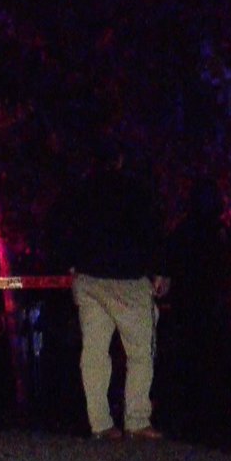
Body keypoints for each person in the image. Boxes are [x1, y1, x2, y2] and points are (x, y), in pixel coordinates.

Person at [57, 140, 169, 440]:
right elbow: (151, 230)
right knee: (140, 352)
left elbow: (64, 227)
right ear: (120, 160)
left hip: (89, 277)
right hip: (127, 278)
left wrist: (70, 262)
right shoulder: (136, 191)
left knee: (94, 351)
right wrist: (159, 270)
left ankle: (100, 422)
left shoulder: (81, 191)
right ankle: (136, 418)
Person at [158, 178, 231, 443]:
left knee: (189, 364)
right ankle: (212, 420)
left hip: (188, 308)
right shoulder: (217, 232)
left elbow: (170, 266)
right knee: (210, 365)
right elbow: (223, 273)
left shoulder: (182, 232)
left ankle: (191, 418)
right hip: (208, 308)